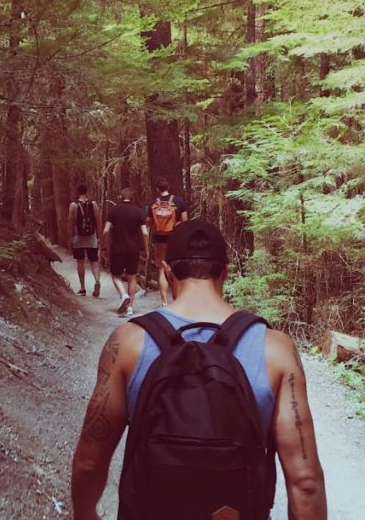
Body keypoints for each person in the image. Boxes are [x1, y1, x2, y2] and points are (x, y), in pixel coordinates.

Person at [71, 219, 327, 520]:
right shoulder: (275, 348)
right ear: (224, 273)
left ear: (167, 271)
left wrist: (86, 514)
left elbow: (89, 463)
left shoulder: (128, 343)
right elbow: (305, 482)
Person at [101, 188, 148, 317]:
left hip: (118, 248)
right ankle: (130, 308)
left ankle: (123, 295)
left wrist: (103, 246)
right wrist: (145, 250)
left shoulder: (114, 211)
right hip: (134, 249)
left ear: (120, 197)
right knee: (132, 277)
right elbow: (145, 233)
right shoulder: (138, 212)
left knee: (115, 275)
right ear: (132, 198)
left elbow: (105, 231)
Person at [146, 178, 188, 305]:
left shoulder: (154, 202)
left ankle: (164, 302)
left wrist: (156, 226)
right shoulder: (178, 201)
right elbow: (185, 220)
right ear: (168, 188)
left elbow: (148, 221)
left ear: (157, 189)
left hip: (159, 239)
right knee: (175, 268)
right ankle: (177, 300)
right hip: (175, 238)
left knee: (161, 269)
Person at [69, 185, 102, 297]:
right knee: (94, 261)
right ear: (86, 192)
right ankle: (97, 281)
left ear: (77, 192)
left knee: (80, 261)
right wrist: (99, 237)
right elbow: (98, 220)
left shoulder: (73, 205)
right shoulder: (93, 204)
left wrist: (70, 237)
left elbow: (70, 222)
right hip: (92, 236)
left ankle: (82, 288)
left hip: (79, 237)